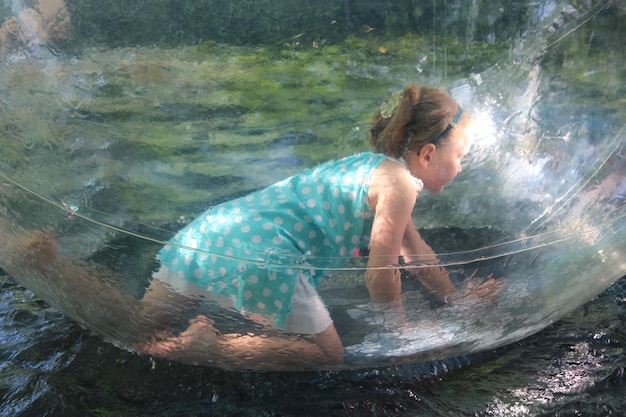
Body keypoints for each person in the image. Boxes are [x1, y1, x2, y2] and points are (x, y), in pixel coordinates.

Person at [135, 84, 503, 369]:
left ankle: (170, 337)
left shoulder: (373, 168)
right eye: (461, 157)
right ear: (427, 154)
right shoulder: (401, 184)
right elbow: (381, 275)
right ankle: (213, 347)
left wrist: (458, 301)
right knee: (326, 356)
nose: (461, 167)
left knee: (139, 329)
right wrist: (400, 336)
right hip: (263, 255)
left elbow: (416, 253)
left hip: (212, 232)